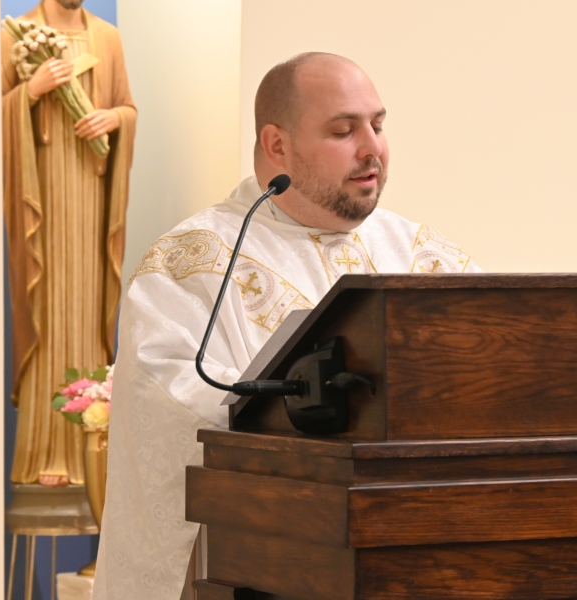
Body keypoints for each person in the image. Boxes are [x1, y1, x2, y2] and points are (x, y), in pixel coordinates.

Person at [93, 52, 479, 600]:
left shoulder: (421, 255)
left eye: (378, 124)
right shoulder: (194, 262)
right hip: (263, 563)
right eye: (343, 130)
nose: (373, 148)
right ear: (277, 147)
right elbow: (170, 397)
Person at [2, 0, 136, 487]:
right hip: (41, 203)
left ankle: (89, 452)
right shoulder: (13, 34)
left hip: (89, 200)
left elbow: (127, 105)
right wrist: (28, 93)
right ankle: (42, 454)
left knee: (84, 310)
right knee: (45, 309)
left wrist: (114, 120)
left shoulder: (107, 37)